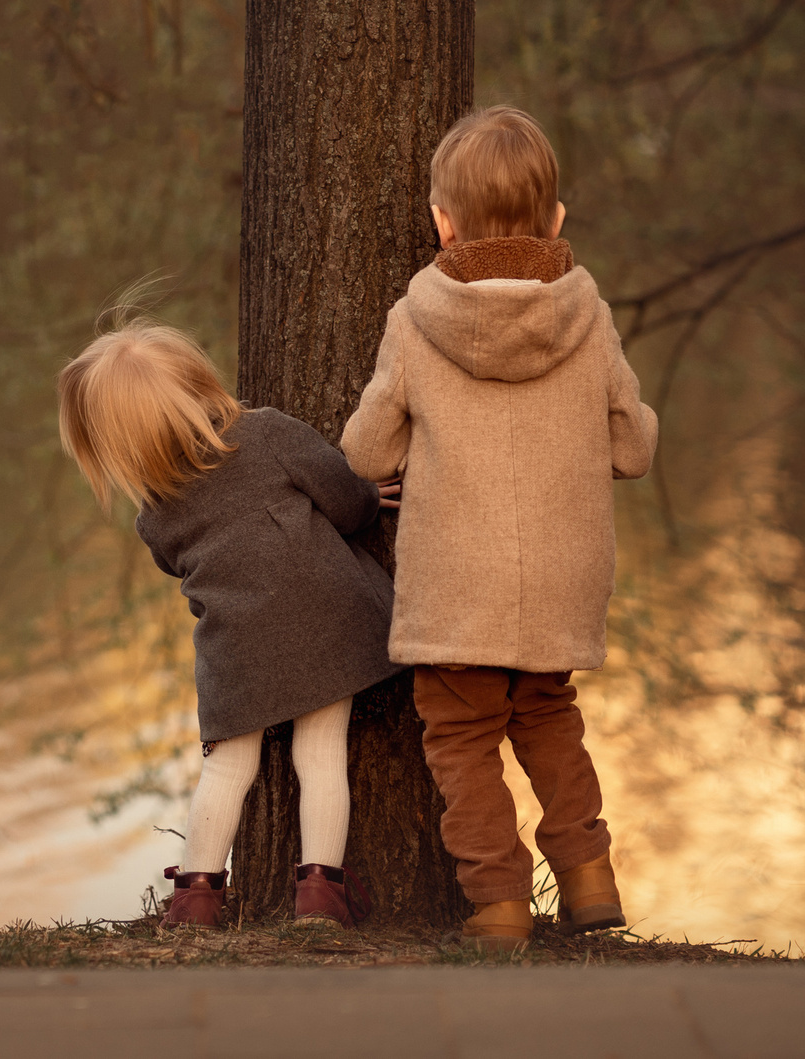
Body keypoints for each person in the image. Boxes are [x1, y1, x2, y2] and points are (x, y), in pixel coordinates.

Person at [340, 105, 659, 952]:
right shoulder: (587, 316)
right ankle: (589, 875)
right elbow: (632, 446)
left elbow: (365, 449)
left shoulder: (416, 318)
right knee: (549, 711)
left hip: (456, 581)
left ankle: (500, 905)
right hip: (560, 573)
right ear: (556, 220)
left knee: (462, 735)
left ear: (442, 222)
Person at [56, 316, 401, 929]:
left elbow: (172, 566)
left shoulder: (156, 514)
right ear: (197, 380)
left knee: (226, 769)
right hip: (330, 625)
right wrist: (373, 497)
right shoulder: (266, 433)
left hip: (237, 653)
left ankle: (194, 897)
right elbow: (348, 505)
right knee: (320, 755)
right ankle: (320, 897)